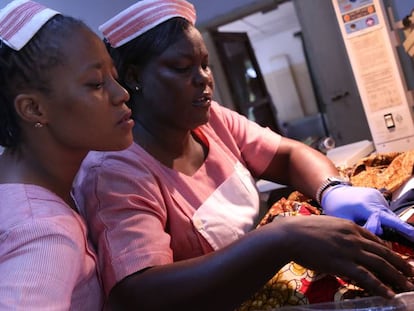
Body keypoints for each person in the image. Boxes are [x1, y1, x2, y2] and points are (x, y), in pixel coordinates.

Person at [73, 1, 414, 310]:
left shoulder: (211, 121)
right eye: (181, 68)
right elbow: (140, 293)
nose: (203, 80)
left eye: (205, 65)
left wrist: (333, 188)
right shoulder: (115, 171)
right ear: (133, 77)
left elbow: (289, 155)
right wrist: (279, 241)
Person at [0, 0, 134, 309]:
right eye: (97, 83)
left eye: (114, 76)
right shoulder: (43, 234)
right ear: (34, 108)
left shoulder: (51, 182)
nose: (121, 93)